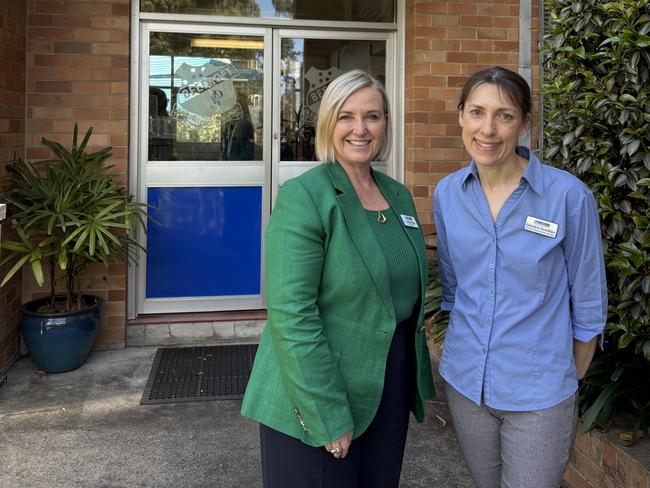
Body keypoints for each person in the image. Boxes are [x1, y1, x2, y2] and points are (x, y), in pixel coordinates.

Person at [241, 70, 435, 487]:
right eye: (347, 116)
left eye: (373, 116)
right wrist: (326, 413)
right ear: (329, 123)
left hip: (388, 383)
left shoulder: (398, 195)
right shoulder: (306, 196)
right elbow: (292, 314)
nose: (360, 129)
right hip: (315, 387)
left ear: (385, 123)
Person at [433, 66, 607, 488]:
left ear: (526, 122)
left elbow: (588, 298)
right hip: (466, 383)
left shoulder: (567, 196)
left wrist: (567, 374)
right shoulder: (447, 194)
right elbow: (453, 287)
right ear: (461, 117)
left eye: (504, 115)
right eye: (477, 112)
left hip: (539, 393)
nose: (487, 129)